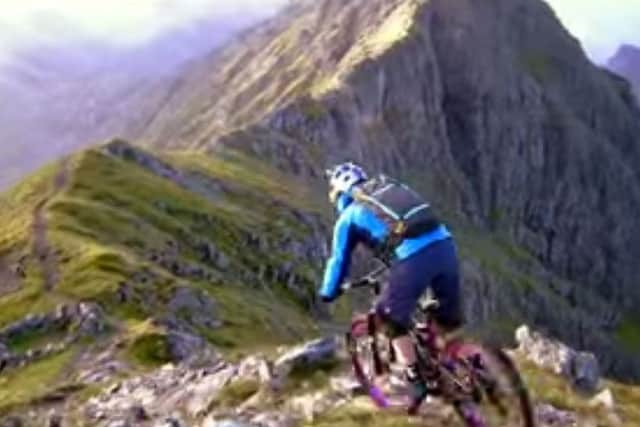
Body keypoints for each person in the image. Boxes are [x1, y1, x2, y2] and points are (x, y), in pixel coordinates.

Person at [318, 161, 463, 411]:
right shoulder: (393, 186)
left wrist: (328, 292)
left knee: (388, 317)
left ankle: (414, 377)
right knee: (442, 317)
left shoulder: (349, 216)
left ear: (340, 193)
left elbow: (338, 260)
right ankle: (473, 367)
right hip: (446, 245)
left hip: (413, 259)